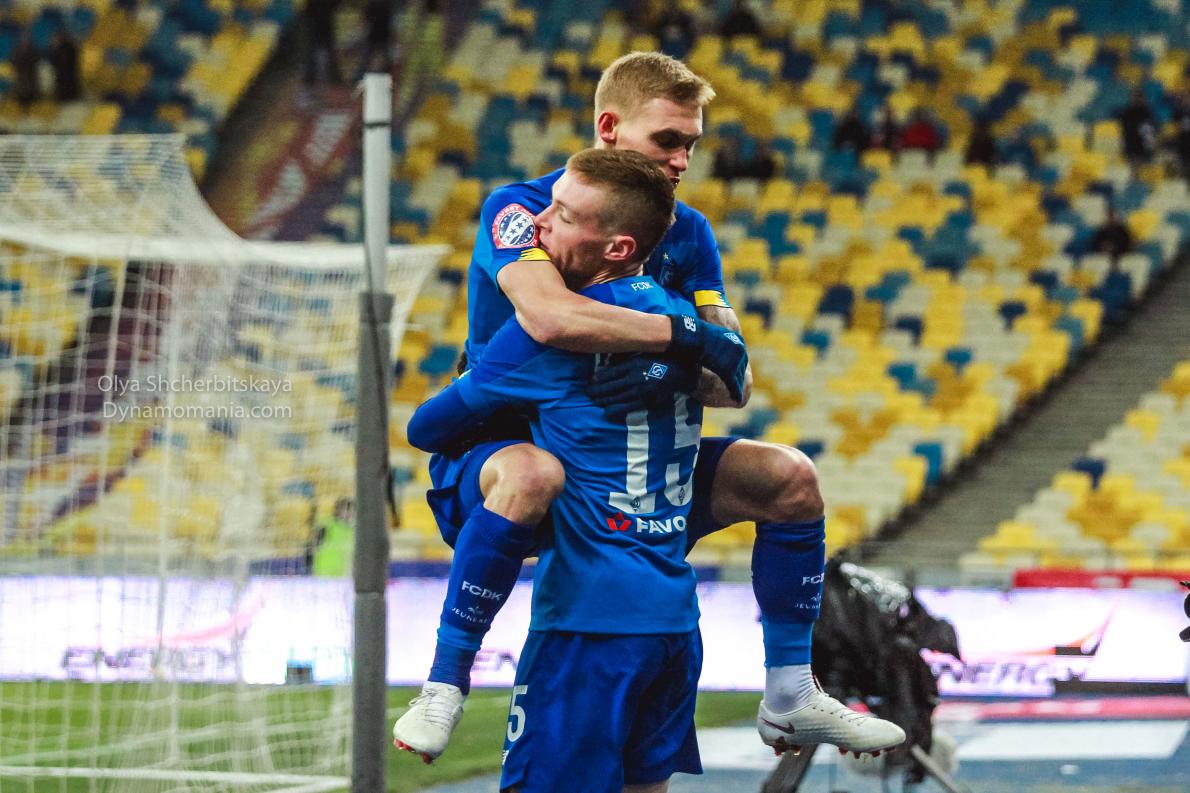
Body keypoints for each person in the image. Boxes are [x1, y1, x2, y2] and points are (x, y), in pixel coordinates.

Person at [392, 51, 904, 763]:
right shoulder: (528, 211)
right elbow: (549, 317)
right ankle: (445, 682)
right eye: (668, 140)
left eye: (691, 144)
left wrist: (671, 373)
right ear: (609, 127)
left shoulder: (687, 232)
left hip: (622, 462)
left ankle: (791, 692)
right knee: (535, 474)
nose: (682, 159)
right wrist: (679, 339)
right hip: (501, 447)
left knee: (788, 477)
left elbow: (735, 379)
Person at [406, 149, 707, 791]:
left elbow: (424, 429)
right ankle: (792, 683)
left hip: (587, 622)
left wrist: (485, 383)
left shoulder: (546, 339)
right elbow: (731, 370)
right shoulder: (686, 323)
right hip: (676, 622)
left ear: (618, 248)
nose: (539, 222)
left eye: (563, 216)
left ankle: (446, 678)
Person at [1118, 88, 1156, 170]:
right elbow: (1122, 131)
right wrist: (1123, 146)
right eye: (1134, 97)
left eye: (1139, 97)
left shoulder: (1147, 113)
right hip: (1131, 146)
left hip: (1142, 148)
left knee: (1144, 169)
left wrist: (1150, 148)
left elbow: (1149, 133)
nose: (1136, 100)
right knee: (1133, 168)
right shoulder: (1126, 112)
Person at [49, 27, 81, 102]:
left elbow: (61, 64)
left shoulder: (65, 49)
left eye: (55, 38)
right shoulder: (67, 48)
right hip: (66, 81)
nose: (53, 41)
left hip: (66, 82)